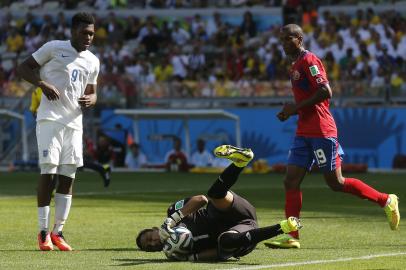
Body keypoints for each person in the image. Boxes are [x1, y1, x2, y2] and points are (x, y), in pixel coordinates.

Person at [267, 24, 400, 249]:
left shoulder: (310, 61)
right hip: (303, 132)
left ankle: (386, 200)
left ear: (299, 39)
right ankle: (292, 236)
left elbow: (325, 92)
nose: (284, 44)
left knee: (335, 183)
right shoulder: (295, 65)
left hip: (321, 131)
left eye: (288, 39)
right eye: (281, 40)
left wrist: (295, 107)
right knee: (290, 180)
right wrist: (292, 111)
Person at [16, 12, 100, 251]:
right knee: (49, 172)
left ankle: (58, 231)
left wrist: (91, 99)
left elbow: (93, 91)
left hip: (74, 123)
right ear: (73, 31)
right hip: (50, 119)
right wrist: (42, 84)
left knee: (68, 176)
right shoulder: (53, 48)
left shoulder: (93, 61)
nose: (88, 37)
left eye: (92, 34)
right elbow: (23, 68)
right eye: (84, 33)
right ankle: (42, 232)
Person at [136, 145, 302, 261]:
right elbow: (221, 254)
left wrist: (172, 219)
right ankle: (283, 227)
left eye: (150, 238)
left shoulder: (172, 212)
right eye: (149, 247)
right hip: (241, 234)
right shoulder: (175, 253)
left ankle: (240, 162)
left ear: (155, 229)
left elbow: (201, 199)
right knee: (225, 241)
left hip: (230, 211)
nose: (153, 243)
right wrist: (191, 257)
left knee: (214, 195)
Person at [30, 87, 111, 187]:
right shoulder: (36, 91)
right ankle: (101, 168)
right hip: (50, 128)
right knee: (56, 161)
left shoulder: (60, 83)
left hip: (70, 125)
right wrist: (43, 118)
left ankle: (101, 168)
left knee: (70, 162)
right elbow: (33, 111)